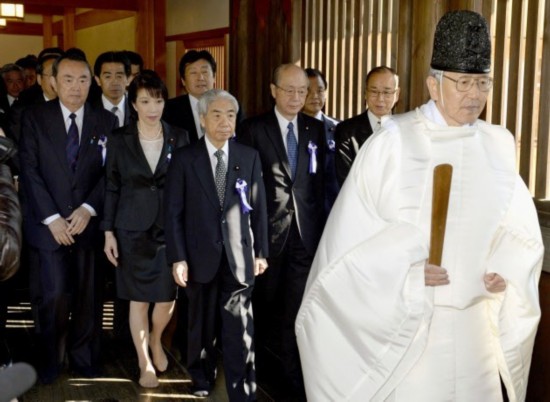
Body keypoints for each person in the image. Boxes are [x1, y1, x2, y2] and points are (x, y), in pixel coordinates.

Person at [296, 10, 543, 402]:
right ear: (433, 84)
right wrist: (406, 273)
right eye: (463, 82)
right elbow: (349, 250)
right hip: (416, 330)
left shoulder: (497, 144)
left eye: (483, 83)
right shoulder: (395, 142)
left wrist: (506, 272)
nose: (474, 95)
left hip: (478, 328)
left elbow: (518, 231)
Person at [19, 49, 119, 384]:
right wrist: (52, 217)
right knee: (54, 296)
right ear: (53, 82)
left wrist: (89, 209)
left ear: (91, 83)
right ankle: (49, 362)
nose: (75, 87)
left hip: (87, 224)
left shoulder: (107, 121)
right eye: (67, 79)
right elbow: (30, 171)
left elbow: (111, 174)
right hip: (48, 227)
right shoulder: (34, 117)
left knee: (90, 297)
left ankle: (84, 359)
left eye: (82, 79)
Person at [164, 89, 268, 400]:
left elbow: (259, 207)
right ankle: (200, 378)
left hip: (239, 257)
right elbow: (173, 212)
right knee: (201, 324)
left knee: (240, 328)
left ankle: (243, 389)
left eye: (231, 115)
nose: (225, 122)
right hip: (198, 257)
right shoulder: (185, 158)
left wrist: (261, 252)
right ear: (203, 118)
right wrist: (178, 257)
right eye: (217, 115)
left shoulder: (248, 156)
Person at [237, 63, 326, 399]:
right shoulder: (252, 129)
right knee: (262, 305)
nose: (295, 97)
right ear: (273, 90)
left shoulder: (314, 130)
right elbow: (242, 189)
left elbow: (317, 187)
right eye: (288, 90)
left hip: (305, 236)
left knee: (296, 310)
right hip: (267, 236)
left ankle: (291, 379)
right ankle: (255, 371)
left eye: (302, 91)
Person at [102, 70, 189, 388]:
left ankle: (155, 339)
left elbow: (186, 187)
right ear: (134, 104)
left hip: (169, 228)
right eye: (145, 101)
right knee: (137, 300)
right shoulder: (119, 139)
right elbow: (111, 186)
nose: (153, 107)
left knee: (167, 298)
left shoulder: (179, 136)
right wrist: (108, 231)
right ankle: (143, 361)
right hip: (131, 229)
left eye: (159, 100)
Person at [334, 66, 399, 185]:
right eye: (374, 91)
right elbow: (346, 179)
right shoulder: (346, 130)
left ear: (397, 94)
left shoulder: (405, 129)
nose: (380, 99)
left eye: (387, 92)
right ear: (365, 93)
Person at [163, 50, 244, 144]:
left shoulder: (231, 106)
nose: (200, 78)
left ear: (214, 77)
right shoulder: (169, 109)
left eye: (205, 72)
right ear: (183, 81)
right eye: (193, 73)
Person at [303, 67, 340, 213]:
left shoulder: (339, 128)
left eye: (320, 90)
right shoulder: (290, 129)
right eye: (308, 91)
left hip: (332, 210)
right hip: (302, 212)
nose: (315, 96)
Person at [92, 51, 132, 128]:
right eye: (108, 76)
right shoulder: (89, 112)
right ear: (98, 80)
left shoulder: (138, 110)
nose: (114, 82)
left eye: (119, 76)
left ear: (128, 80)